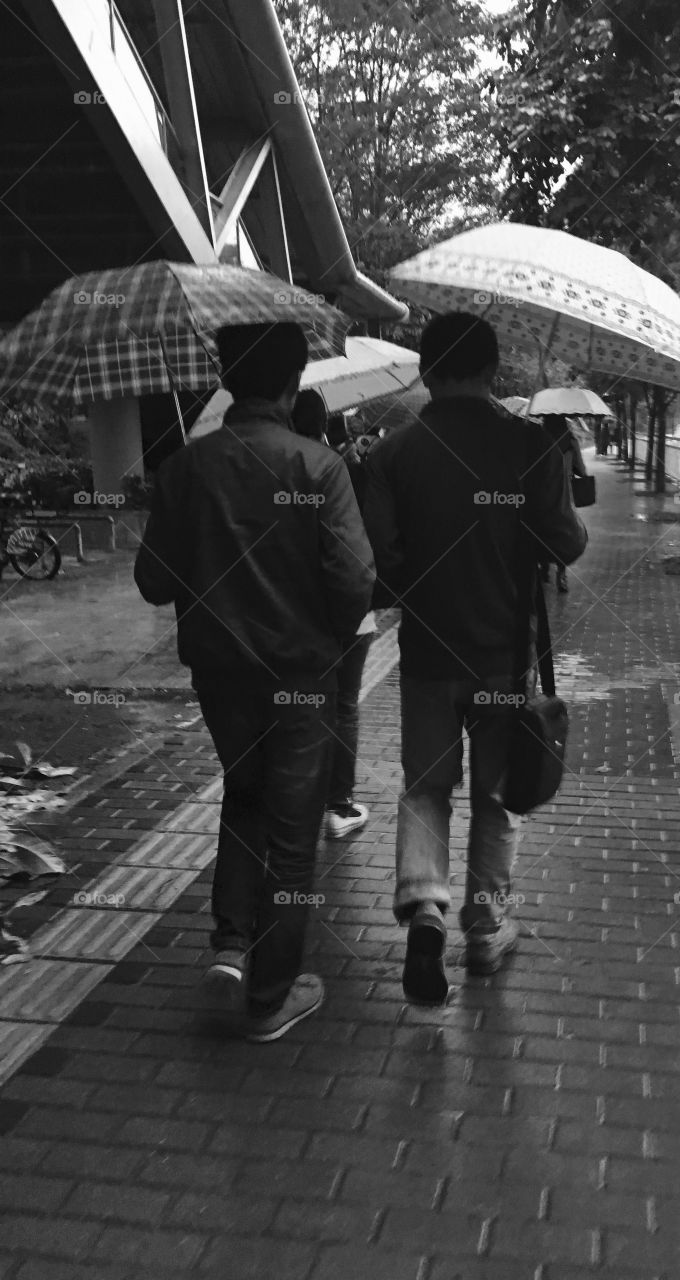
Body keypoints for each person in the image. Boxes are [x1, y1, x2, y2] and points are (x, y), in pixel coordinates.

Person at [134, 322, 375, 1042]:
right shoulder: (318, 467)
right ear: (292, 384)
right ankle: (271, 997)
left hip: (219, 675)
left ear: (228, 379)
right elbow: (354, 581)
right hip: (300, 676)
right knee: (293, 832)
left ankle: (231, 945)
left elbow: (153, 581)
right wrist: (326, 638)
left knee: (243, 799)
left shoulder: (186, 468)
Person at [364, 312, 587, 1005]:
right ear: (492, 371)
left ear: (426, 371)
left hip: (427, 654)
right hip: (504, 658)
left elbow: (381, 564)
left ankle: (424, 907)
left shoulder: (392, 455)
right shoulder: (530, 445)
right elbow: (568, 543)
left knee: (426, 789)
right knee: (495, 795)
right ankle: (486, 929)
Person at [291, 391, 376, 840]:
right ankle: (339, 806)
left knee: (302, 704)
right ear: (324, 423)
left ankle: (300, 802)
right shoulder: (341, 467)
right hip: (348, 612)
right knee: (343, 706)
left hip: (296, 614)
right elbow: (359, 544)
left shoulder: (276, 468)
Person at [539, 414, 587, 593]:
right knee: (563, 528)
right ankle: (561, 574)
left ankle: (544, 566)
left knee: (542, 526)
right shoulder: (571, 441)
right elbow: (581, 469)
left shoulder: (538, 440)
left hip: (541, 491)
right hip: (565, 493)